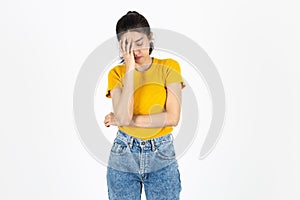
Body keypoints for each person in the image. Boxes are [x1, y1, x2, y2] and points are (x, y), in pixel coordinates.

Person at [103, 11, 186, 200]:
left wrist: (122, 120)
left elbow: (172, 118)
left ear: (150, 38)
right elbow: (123, 117)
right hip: (123, 154)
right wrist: (130, 68)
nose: (136, 51)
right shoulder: (116, 74)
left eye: (139, 43)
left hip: (161, 153)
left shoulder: (169, 67)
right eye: (128, 47)